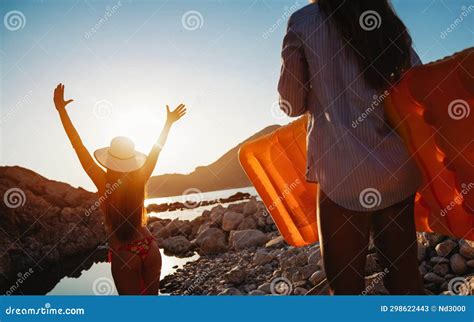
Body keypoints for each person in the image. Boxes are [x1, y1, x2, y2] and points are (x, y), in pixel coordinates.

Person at [278, 0, 425, 295]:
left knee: (345, 290)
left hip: (341, 173)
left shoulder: (303, 21)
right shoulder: (383, 17)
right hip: (396, 168)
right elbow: (418, 85)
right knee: (404, 280)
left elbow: (291, 104)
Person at [53, 83, 186, 295]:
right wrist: (168, 124)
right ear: (132, 159)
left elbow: (78, 145)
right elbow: (155, 150)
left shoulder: (102, 180)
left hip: (125, 254)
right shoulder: (140, 177)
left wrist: (62, 111)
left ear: (109, 159)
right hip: (149, 245)